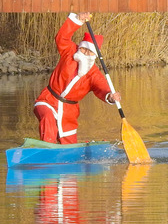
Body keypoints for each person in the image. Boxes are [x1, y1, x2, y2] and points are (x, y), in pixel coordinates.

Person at [33, 12, 121, 144]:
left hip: (69, 111)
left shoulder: (93, 74)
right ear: (80, 47)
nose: (85, 53)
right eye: (84, 49)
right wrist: (77, 21)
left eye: (90, 52)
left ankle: (74, 154)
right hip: (48, 99)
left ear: (94, 55)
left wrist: (110, 96)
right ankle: (47, 148)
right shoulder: (69, 51)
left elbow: (102, 88)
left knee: (68, 142)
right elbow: (61, 38)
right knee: (48, 117)